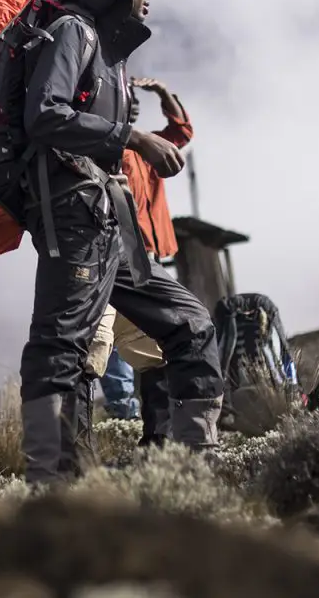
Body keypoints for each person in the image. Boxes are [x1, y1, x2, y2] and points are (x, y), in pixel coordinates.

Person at [18, 0, 225, 484]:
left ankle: (189, 474)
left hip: (111, 221)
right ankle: (55, 486)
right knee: (65, 346)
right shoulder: (74, 31)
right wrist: (134, 136)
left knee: (190, 322)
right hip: (73, 213)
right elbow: (45, 114)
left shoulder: (109, 48)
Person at [116, 76, 196, 443]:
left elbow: (182, 132)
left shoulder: (147, 146)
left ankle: (155, 432)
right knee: (114, 335)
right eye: (128, 102)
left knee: (152, 339)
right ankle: (122, 410)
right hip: (120, 254)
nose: (133, 109)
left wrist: (163, 92)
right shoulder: (108, 146)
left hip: (148, 253)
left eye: (136, 103)